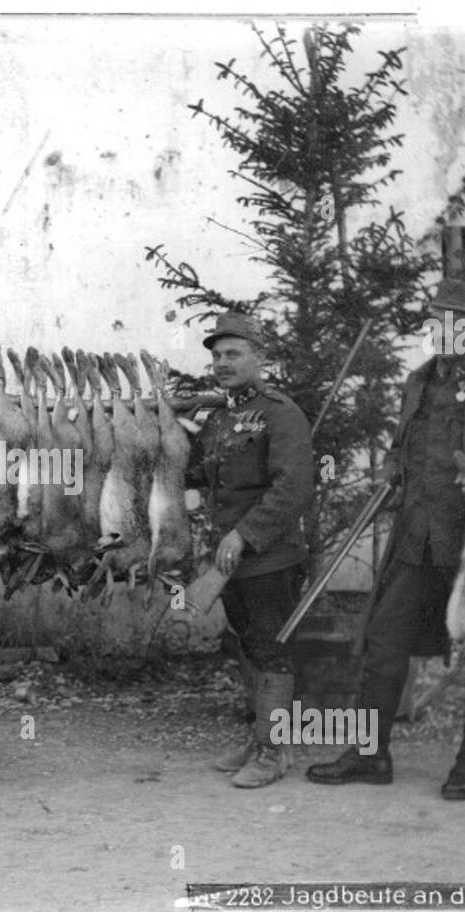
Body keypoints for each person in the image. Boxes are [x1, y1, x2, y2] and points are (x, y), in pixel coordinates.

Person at [306, 279, 465, 798]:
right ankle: (369, 754)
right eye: (438, 322)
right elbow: (407, 450)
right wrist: (393, 469)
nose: (446, 332)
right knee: (382, 644)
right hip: (416, 540)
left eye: (458, 323)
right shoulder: (417, 383)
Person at [187, 311, 315, 788]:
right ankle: (260, 737)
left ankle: (273, 752)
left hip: (270, 557)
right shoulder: (220, 418)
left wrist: (244, 535)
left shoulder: (281, 414)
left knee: (273, 651)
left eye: (233, 354)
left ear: (258, 357)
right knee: (248, 648)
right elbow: (203, 474)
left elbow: (294, 486)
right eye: (217, 356)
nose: (223, 363)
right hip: (231, 563)